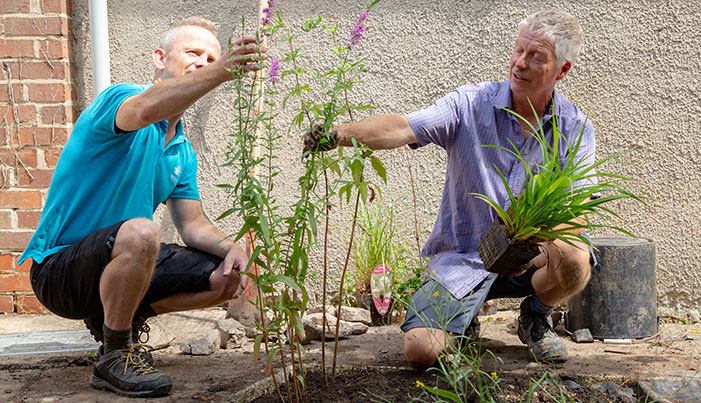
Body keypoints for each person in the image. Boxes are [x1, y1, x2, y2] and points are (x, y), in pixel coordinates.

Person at [303, 9, 595, 367]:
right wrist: (338, 135)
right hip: (464, 260)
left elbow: (576, 213)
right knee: (421, 352)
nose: (520, 64)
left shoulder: (575, 128)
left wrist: (531, 250)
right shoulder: (470, 104)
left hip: (531, 262)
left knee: (575, 256)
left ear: (561, 70)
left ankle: (535, 316)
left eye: (536, 58)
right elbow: (403, 128)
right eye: (518, 51)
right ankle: (464, 318)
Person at [18, 17, 264, 397]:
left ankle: (115, 322)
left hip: (123, 256)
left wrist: (234, 248)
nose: (205, 61)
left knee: (226, 276)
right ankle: (116, 355)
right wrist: (219, 72)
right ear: (160, 58)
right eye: (194, 52)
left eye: (212, 56)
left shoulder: (181, 150)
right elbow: (147, 110)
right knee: (141, 231)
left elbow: (192, 224)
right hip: (59, 270)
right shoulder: (118, 100)